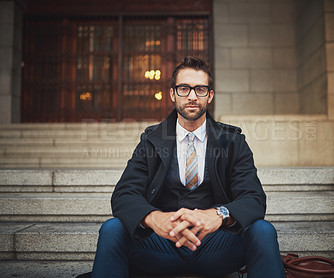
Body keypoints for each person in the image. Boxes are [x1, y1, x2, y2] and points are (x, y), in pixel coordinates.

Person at [91, 56, 285, 278]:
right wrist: (155, 219)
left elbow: (253, 198)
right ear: (172, 93)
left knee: (262, 230)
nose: (192, 96)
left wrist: (219, 215)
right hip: (161, 246)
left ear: (210, 95)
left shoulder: (232, 141)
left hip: (216, 248)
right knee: (112, 229)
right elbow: (124, 195)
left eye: (200, 89)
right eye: (184, 88)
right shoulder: (151, 141)